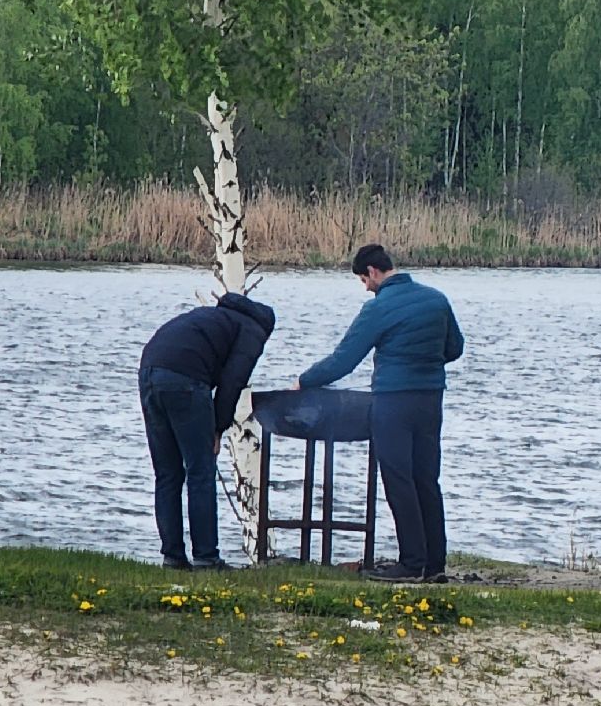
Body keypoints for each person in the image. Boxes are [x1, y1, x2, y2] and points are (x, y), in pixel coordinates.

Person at [295, 244, 464, 584]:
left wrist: (304, 380)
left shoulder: (379, 308)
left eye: (363, 280)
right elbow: (455, 348)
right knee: (426, 479)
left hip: (392, 401)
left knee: (399, 479)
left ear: (372, 271)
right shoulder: (436, 299)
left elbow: (344, 359)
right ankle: (435, 564)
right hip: (431, 399)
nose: (365, 287)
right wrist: (424, 364)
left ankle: (412, 562)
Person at [139, 292, 275, 570]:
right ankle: (206, 557)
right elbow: (231, 384)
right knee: (200, 471)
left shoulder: (215, 317)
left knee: (167, 474)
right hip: (186, 380)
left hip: (149, 371)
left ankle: (173, 557)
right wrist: (217, 429)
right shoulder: (253, 331)